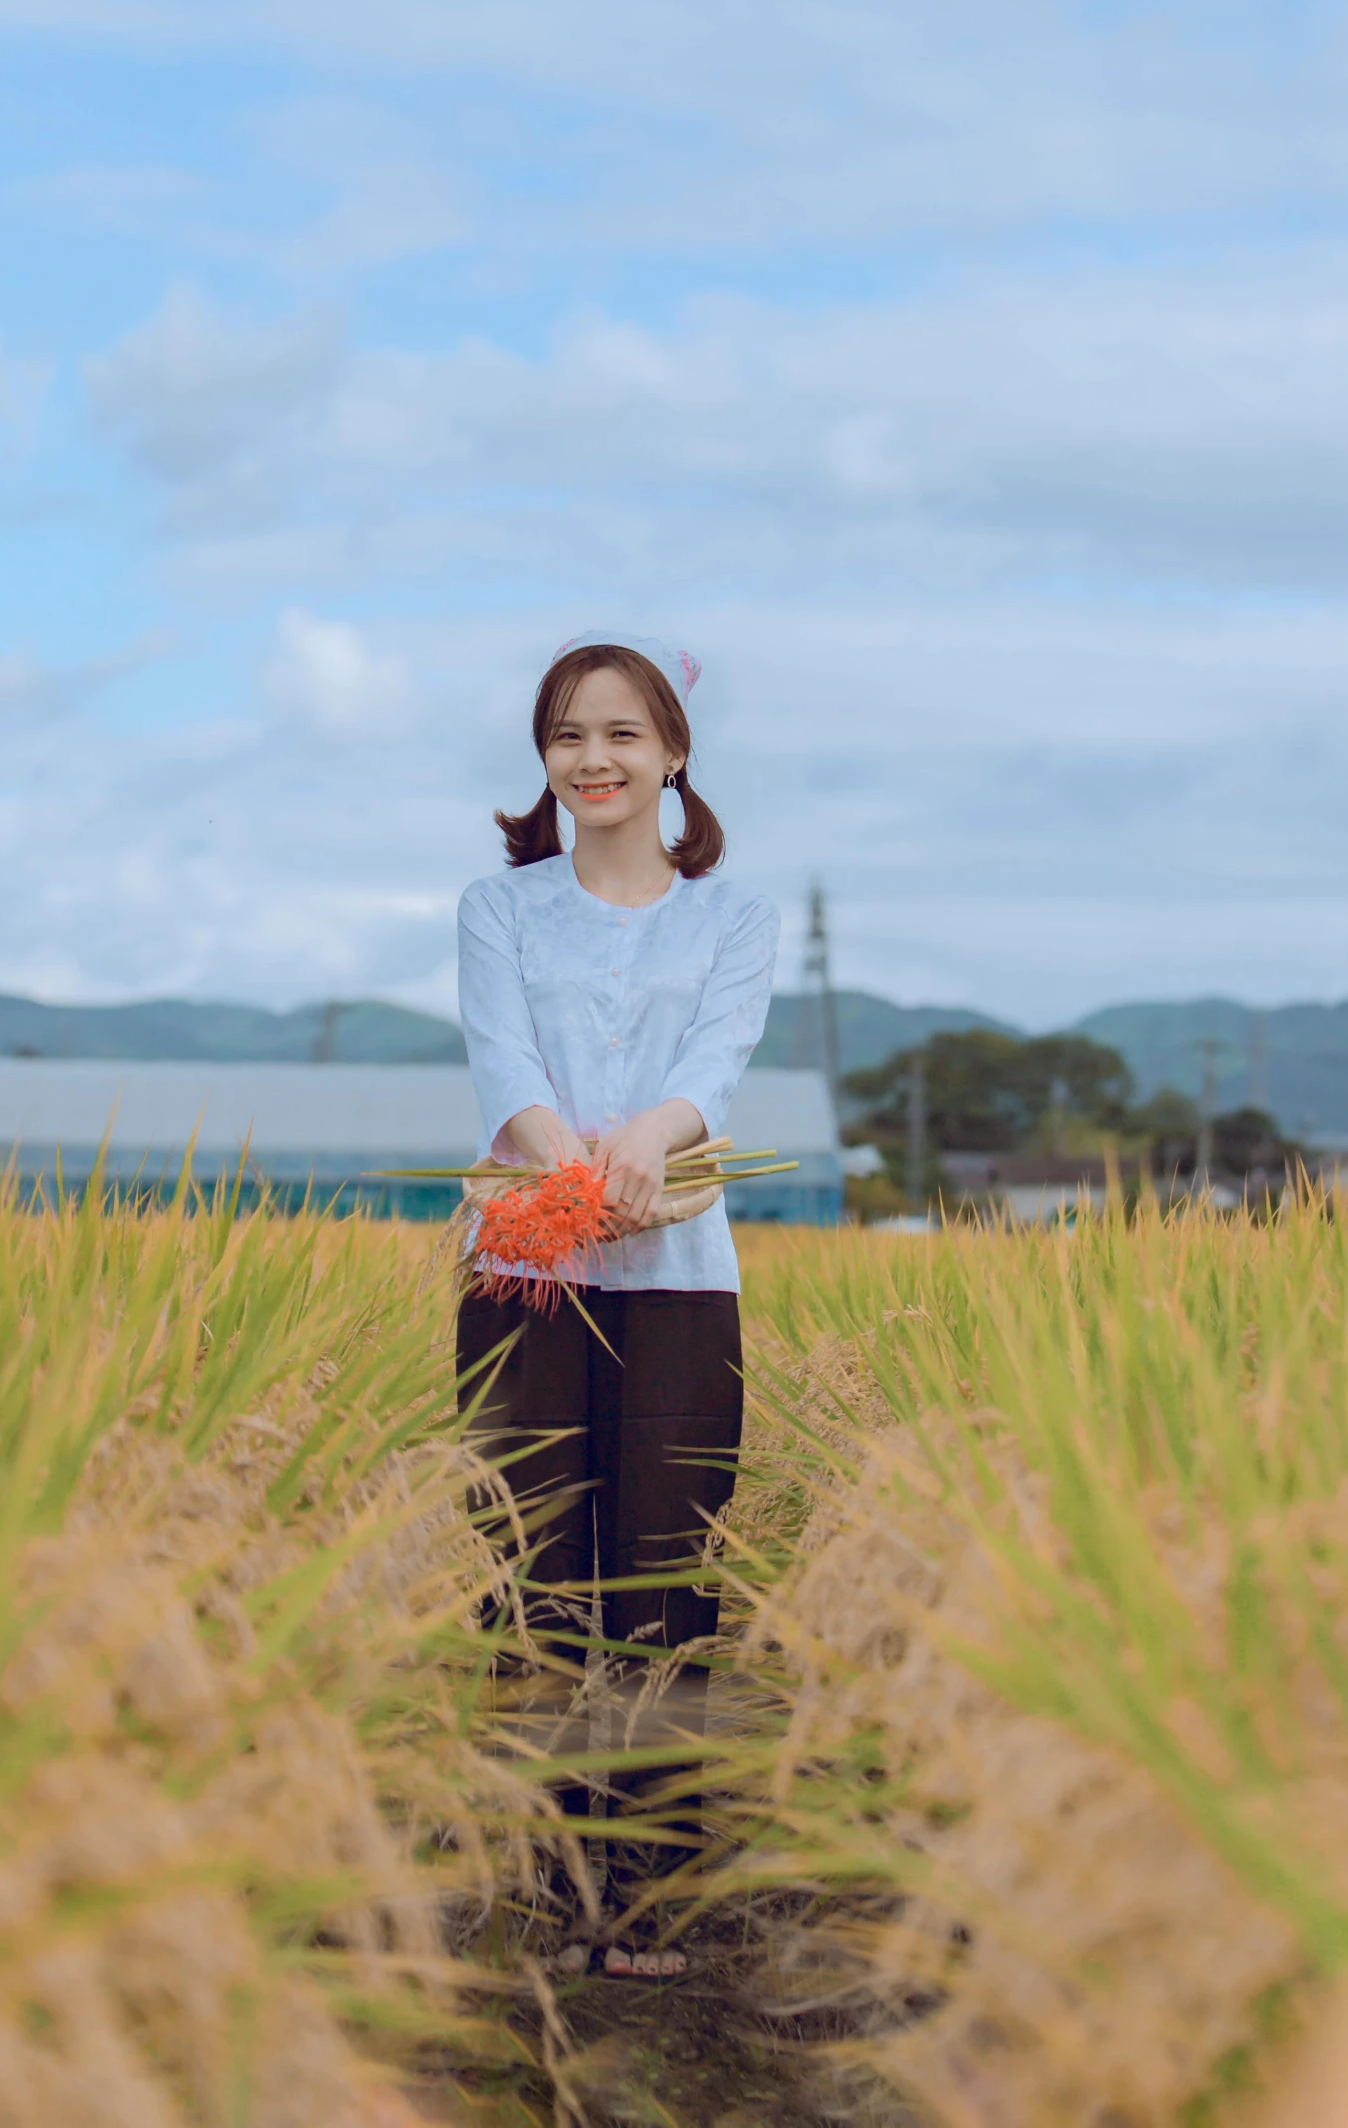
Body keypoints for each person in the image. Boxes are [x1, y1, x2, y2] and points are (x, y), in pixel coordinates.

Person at [455, 631, 779, 1979]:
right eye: (568, 735)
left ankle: (645, 1891)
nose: (593, 758)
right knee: (530, 1570)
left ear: (673, 756)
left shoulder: (733, 916)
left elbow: (721, 1051)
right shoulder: (500, 904)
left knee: (661, 1575)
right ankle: (541, 1882)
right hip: (526, 1272)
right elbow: (499, 1052)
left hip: (677, 1282)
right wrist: (568, 1161)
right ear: (545, 758)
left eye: (621, 734)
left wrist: (654, 1133)